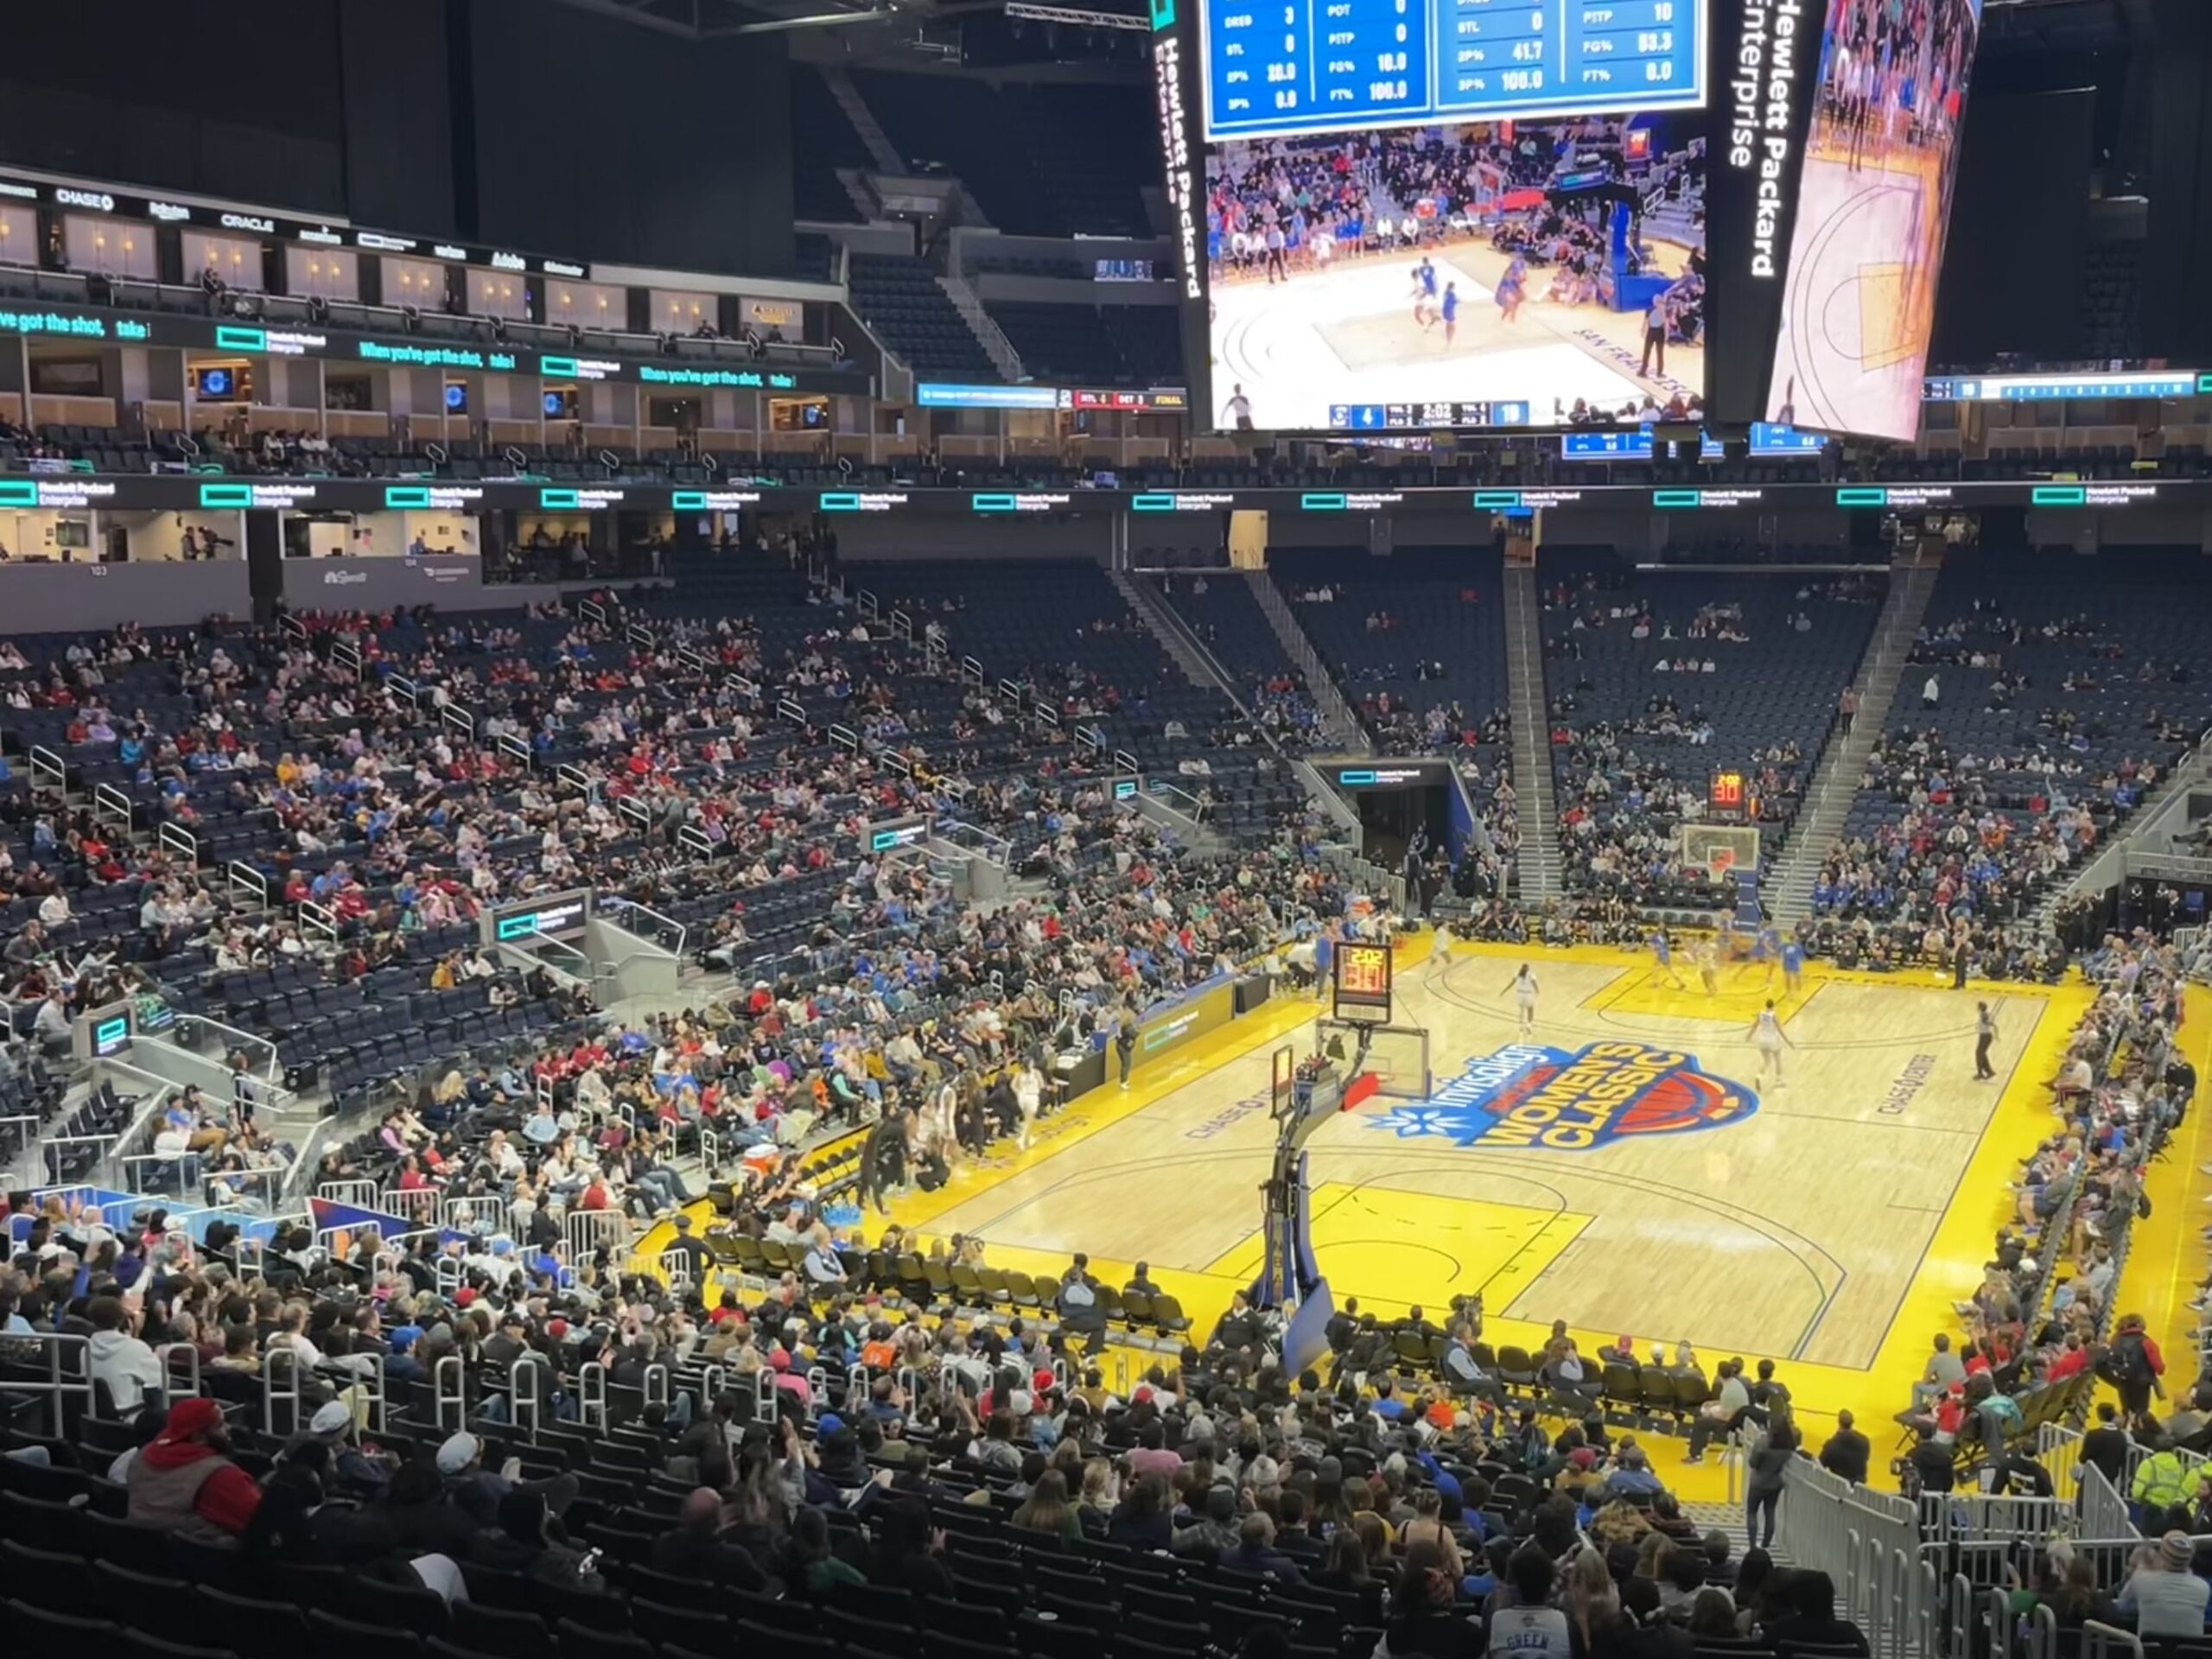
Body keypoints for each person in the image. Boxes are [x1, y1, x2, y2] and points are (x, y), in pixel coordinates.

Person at [126, 1396, 264, 1539]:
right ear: (199, 1438)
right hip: (207, 1557)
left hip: (143, 1553)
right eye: (220, 1425)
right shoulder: (220, 1476)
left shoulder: (142, 1456)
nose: (228, 1428)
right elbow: (263, 1524)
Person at [2117, 1533, 2212, 1637]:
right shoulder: (2203, 1588)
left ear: (2162, 1556)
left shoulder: (2141, 1579)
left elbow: (2121, 1607)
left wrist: (2144, 1562)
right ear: (2189, 1559)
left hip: (2148, 1652)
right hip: (2192, 1653)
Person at [1486, 1546, 1571, 1659]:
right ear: (1549, 1585)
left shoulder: (1496, 1620)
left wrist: (1499, 1607)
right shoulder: (1566, 1623)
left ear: (1514, 1586)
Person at [1743, 1419, 1798, 1550]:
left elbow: (1753, 1463)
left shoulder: (1762, 1444)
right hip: (1775, 1483)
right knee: (1770, 1512)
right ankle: (1765, 1544)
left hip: (1758, 1482)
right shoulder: (1788, 1447)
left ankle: (1752, 1546)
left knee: (1752, 1512)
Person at [1820, 1409, 1871, 1485]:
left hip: (1838, 1486)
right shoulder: (1864, 1441)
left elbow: (1821, 1465)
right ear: (1853, 1422)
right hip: (1860, 1487)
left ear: (1839, 1422)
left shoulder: (1831, 1444)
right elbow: (1866, 1458)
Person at [1747, 1001, 1793, 1087]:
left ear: (1766, 1006)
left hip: (1762, 1040)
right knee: (1778, 1059)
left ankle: (1759, 1076)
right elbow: (1780, 1030)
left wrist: (1748, 1036)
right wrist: (1788, 1041)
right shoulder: (1774, 1015)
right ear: (1773, 1006)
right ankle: (1778, 1080)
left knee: (1766, 1060)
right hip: (1772, 1040)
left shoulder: (1760, 1014)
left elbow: (1754, 1026)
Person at [1503, 963, 1539, 1036]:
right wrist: (1537, 990)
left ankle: (1521, 1026)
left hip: (1520, 994)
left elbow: (1512, 983)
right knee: (1530, 1009)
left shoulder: (1517, 973)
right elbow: (1534, 983)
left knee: (1521, 1010)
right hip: (1528, 994)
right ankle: (1529, 1025)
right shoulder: (1531, 974)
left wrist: (1504, 991)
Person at [1974, 1001, 1998, 1081]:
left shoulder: (1983, 1015)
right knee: (1981, 1053)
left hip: (1985, 1036)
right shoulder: (1987, 1013)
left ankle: (1981, 1073)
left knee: (1979, 1054)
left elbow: (1985, 1021)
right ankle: (1989, 1071)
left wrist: (1990, 1024)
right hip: (1986, 1036)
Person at [1115, 1017, 1137, 1091]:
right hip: (1123, 1048)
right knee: (1126, 1064)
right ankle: (1123, 1082)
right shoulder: (1127, 1029)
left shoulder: (1124, 1028)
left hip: (1123, 1046)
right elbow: (1135, 1034)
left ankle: (1125, 1080)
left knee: (1126, 1064)